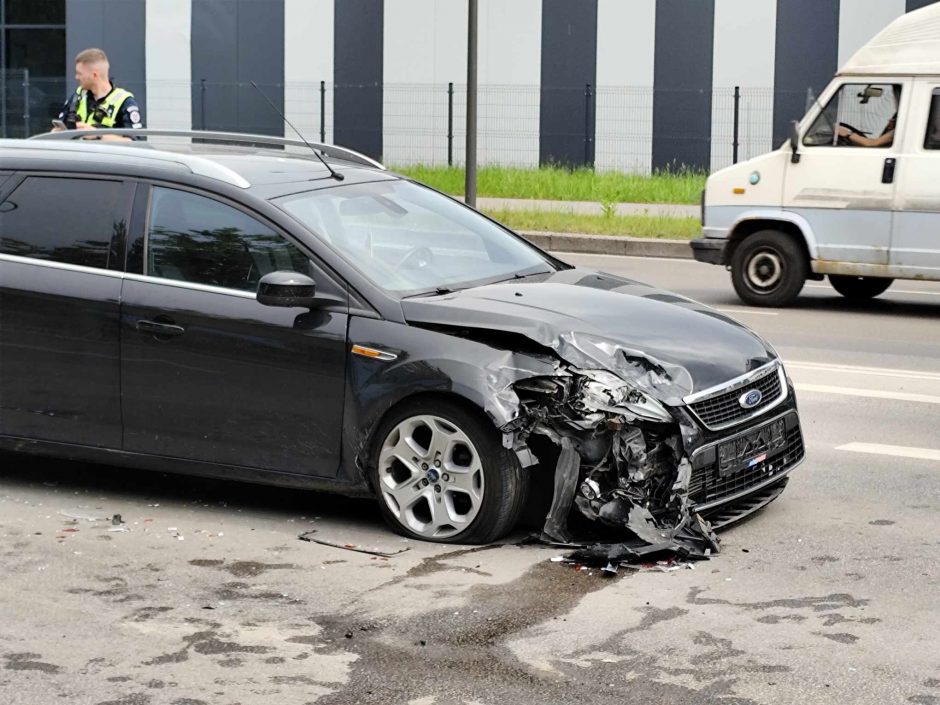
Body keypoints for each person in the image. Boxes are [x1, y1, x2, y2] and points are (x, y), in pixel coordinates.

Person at [53, 48, 143, 138]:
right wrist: (57, 133)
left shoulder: (125, 102)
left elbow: (135, 143)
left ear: (94, 75)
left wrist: (98, 135)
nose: (76, 77)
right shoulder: (77, 97)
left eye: (79, 73)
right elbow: (61, 126)